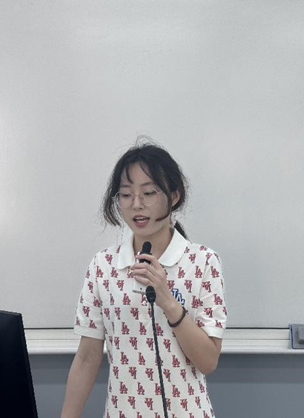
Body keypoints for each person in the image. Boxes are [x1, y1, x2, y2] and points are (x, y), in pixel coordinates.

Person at [61, 141, 227, 418]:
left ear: (174, 195)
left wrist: (168, 301)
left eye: (149, 193)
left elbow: (208, 361)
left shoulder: (203, 262)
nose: (136, 205)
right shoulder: (103, 266)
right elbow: (87, 357)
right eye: (126, 195)